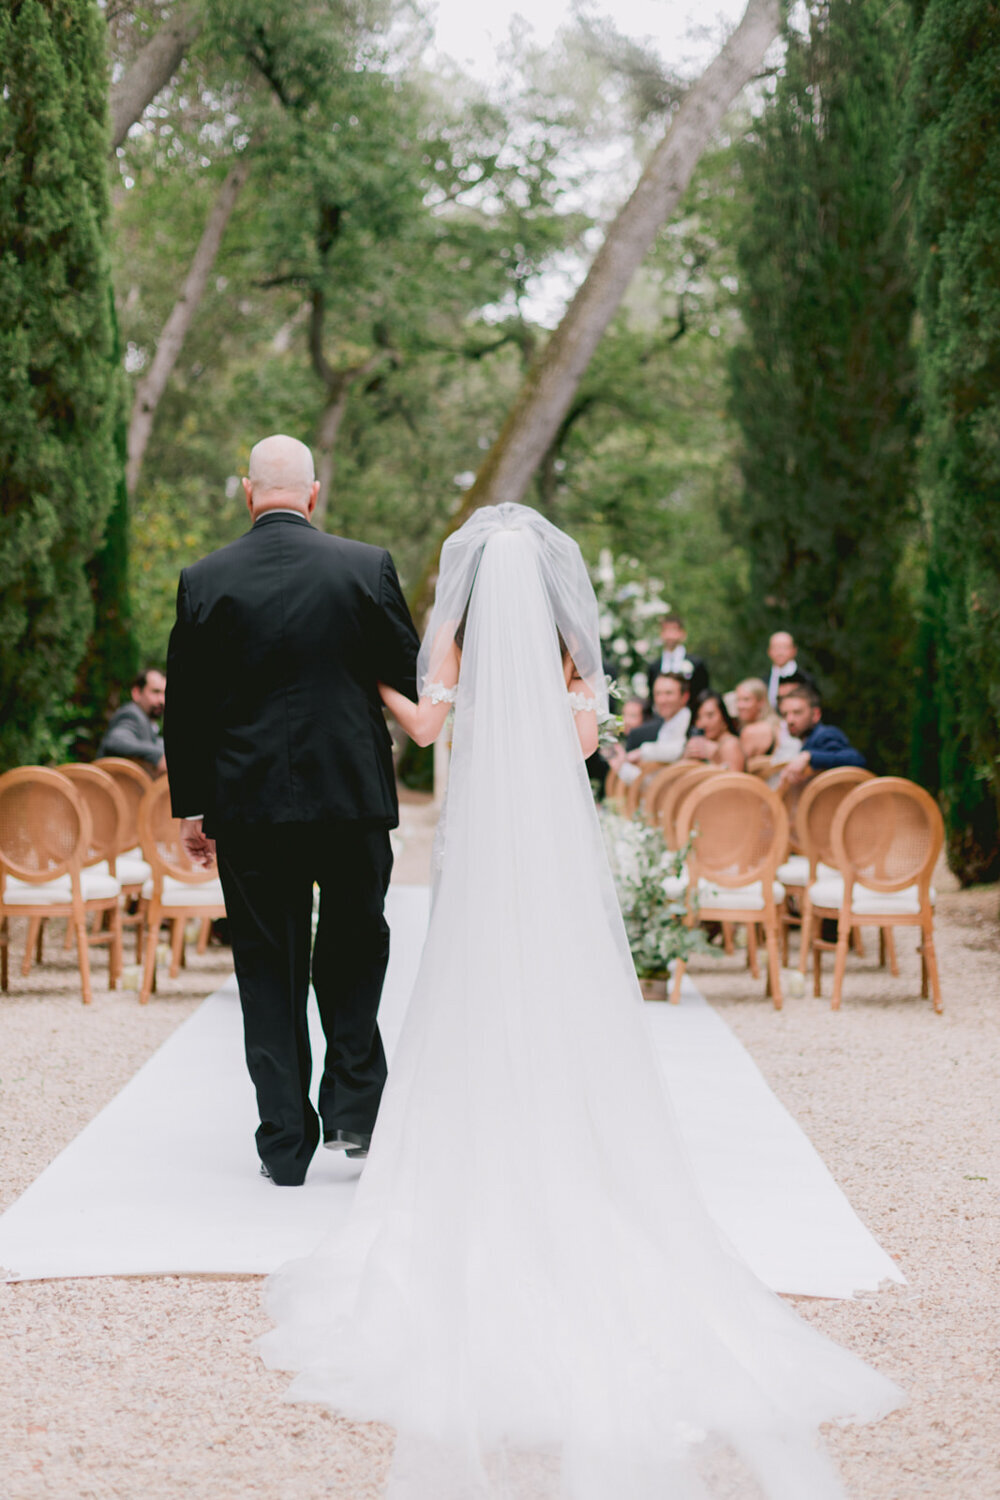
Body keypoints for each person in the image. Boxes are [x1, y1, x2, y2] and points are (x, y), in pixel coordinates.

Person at [260, 502, 902, 1500]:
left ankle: (480, 1145)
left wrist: (379, 679)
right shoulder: (573, 668)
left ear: (470, 592)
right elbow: (574, 754)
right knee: (561, 993)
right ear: (552, 594)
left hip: (477, 867)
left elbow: (428, 728)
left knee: (470, 991)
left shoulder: (459, 655)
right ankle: (573, 1139)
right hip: (548, 868)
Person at [164, 435, 420, 1186]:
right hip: (351, 798)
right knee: (354, 949)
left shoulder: (204, 579)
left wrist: (192, 810)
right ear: (313, 493)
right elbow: (404, 675)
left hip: (249, 807)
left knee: (267, 967)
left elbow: (185, 711)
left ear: (249, 492)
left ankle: (283, 1142)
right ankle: (352, 1109)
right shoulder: (364, 567)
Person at [607, 670, 691, 784]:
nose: (662, 700)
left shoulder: (692, 725)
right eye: (658, 694)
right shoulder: (664, 726)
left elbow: (676, 752)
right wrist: (621, 765)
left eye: (669, 693)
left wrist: (640, 753)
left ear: (684, 696)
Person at [778, 684, 866, 789]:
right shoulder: (804, 741)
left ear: (816, 714)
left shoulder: (825, 734)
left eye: (797, 712)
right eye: (785, 714)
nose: (790, 720)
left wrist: (809, 756)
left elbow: (856, 759)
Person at [97, 669, 166, 774]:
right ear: (137, 693)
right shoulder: (131, 715)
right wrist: (158, 755)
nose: (162, 700)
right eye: (155, 692)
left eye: (165, 693)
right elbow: (116, 741)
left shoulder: (147, 723)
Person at [646, 611, 709, 701]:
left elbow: (703, 693)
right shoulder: (654, 666)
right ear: (661, 634)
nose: (670, 635)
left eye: (674, 630)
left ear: (682, 633)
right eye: (666, 630)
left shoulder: (696, 663)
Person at [684, 690, 745, 771]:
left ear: (723, 717)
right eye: (698, 717)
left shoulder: (730, 745)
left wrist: (716, 758)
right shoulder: (705, 743)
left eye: (710, 715)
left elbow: (735, 781)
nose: (703, 723)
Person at [762, 630, 816, 707]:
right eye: (776, 648)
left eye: (784, 647)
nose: (780, 652)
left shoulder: (805, 679)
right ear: (769, 651)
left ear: (794, 650)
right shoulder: (764, 681)